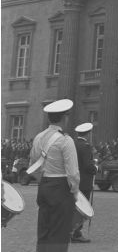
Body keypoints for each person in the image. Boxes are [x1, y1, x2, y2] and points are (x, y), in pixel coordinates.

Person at [29, 99, 80, 252]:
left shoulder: (38, 137)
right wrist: (75, 193)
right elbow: (73, 174)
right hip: (61, 188)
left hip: (44, 185)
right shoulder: (66, 140)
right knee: (59, 233)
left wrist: (42, 180)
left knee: (44, 231)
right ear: (65, 118)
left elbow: (33, 163)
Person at [71, 122, 97, 244]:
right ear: (88, 134)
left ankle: (70, 231)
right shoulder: (85, 146)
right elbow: (87, 165)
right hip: (84, 181)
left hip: (74, 180)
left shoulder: (73, 143)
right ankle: (76, 233)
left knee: (74, 206)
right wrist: (95, 168)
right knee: (82, 208)